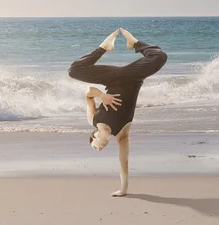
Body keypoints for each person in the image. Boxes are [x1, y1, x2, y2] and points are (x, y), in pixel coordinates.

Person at [67, 28, 167, 197]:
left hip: (112, 78)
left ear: (94, 135)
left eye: (95, 146)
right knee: (160, 56)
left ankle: (104, 47)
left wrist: (102, 96)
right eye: (99, 149)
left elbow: (88, 93)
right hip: (133, 78)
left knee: (73, 70)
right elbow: (124, 162)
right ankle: (134, 43)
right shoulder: (122, 134)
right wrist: (123, 190)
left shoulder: (92, 119)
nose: (99, 148)